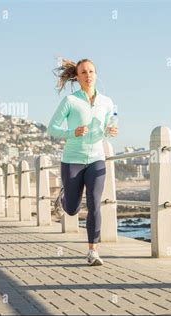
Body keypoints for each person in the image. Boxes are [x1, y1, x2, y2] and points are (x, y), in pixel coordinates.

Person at [47, 58, 118, 266]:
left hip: (96, 158)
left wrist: (110, 131)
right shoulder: (70, 101)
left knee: (95, 202)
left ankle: (93, 251)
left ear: (96, 74)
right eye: (84, 72)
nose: (88, 76)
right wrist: (73, 132)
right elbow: (52, 129)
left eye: (91, 71)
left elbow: (108, 126)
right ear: (77, 77)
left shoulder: (107, 102)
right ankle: (65, 196)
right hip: (72, 160)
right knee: (71, 209)